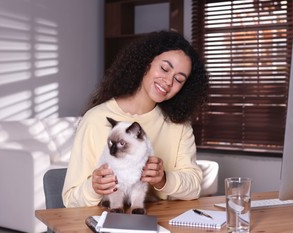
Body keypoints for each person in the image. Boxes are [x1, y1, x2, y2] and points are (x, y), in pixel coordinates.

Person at [62, 30, 209, 207]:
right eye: (164, 68)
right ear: (147, 61)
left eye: (178, 79)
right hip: (105, 221)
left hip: (160, 223)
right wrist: (94, 188)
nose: (168, 81)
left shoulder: (178, 125)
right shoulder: (96, 119)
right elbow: (70, 199)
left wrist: (163, 179)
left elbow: (194, 187)